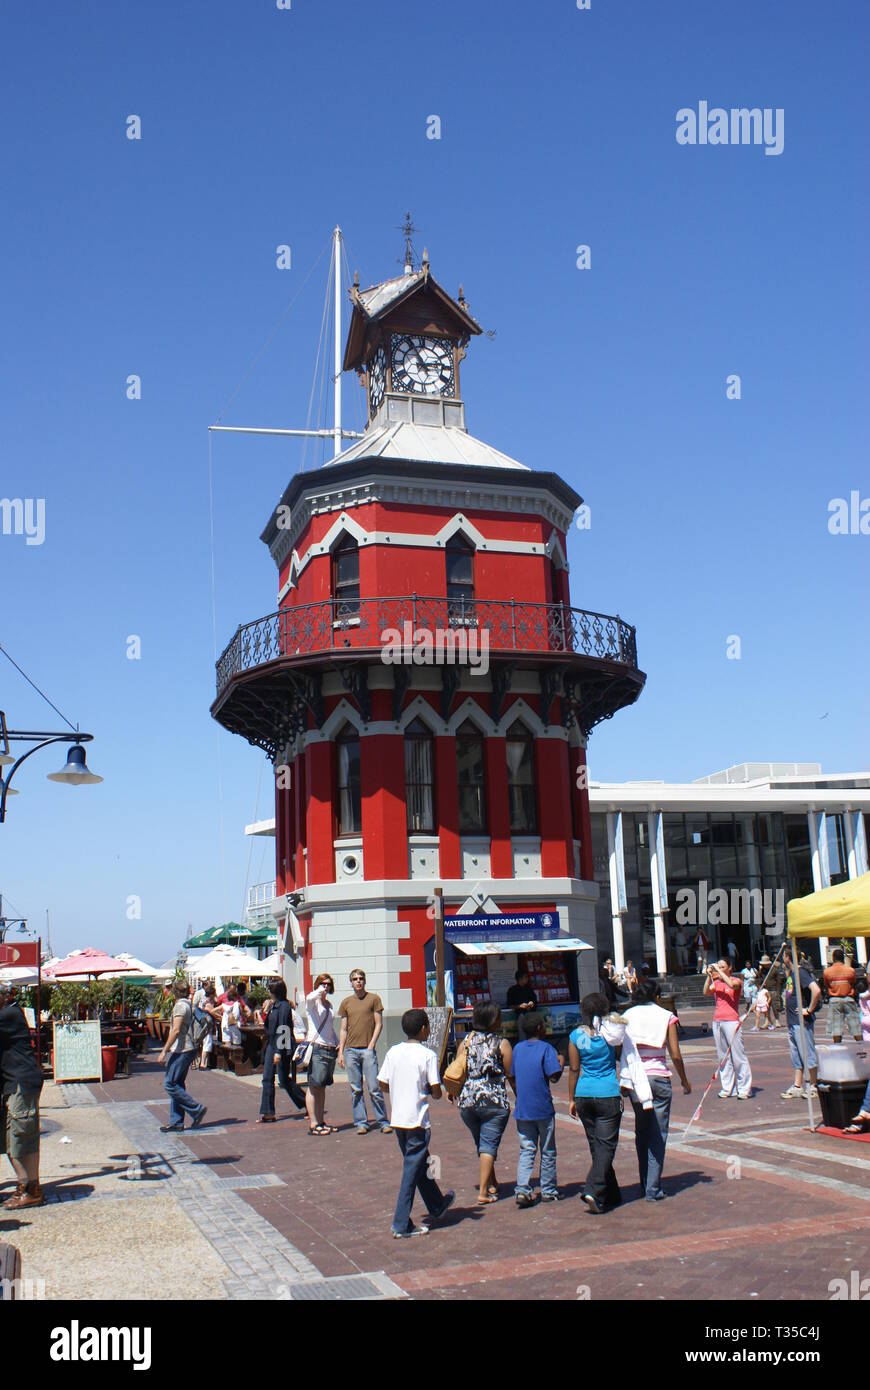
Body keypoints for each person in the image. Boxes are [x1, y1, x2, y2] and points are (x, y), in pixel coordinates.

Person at [377, 1008, 454, 1238]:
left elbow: (382, 1084)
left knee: (419, 1164)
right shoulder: (427, 1055)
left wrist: (400, 1087)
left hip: (398, 1120)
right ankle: (401, 1224)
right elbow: (436, 1091)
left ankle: (437, 1203)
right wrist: (428, 1089)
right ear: (423, 1029)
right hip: (417, 1121)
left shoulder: (393, 1051)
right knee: (411, 1171)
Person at [622, 980, 691, 1202]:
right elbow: (675, 1054)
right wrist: (684, 1080)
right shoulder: (666, 1016)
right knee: (658, 1133)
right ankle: (653, 1188)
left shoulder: (628, 1015)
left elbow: (620, 1047)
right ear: (657, 997)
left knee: (641, 1131)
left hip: (636, 1079)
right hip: (659, 1077)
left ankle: (644, 1183)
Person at [569, 992, 630, 1214]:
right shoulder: (611, 1034)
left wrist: (571, 1098)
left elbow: (574, 1069)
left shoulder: (575, 1035)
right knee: (606, 1146)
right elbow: (622, 1055)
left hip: (584, 1094)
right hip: (608, 1093)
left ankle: (610, 1194)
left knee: (597, 1145)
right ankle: (593, 1190)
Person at [452, 1002, 512, 1205]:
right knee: (488, 1143)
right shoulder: (501, 1043)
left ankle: (492, 1182)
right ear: (493, 1020)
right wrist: (519, 1095)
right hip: (493, 1100)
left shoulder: (466, 1042)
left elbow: (459, 1068)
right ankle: (484, 1192)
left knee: (483, 1142)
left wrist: (453, 1090)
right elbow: (510, 1073)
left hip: (468, 1100)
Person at [509, 1012, 563, 1207]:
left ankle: (523, 1189)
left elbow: (513, 1074)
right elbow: (554, 1076)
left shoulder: (517, 1049)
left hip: (523, 1108)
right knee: (547, 1150)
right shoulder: (546, 1048)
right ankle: (548, 1190)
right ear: (541, 1028)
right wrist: (561, 1061)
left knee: (527, 1149)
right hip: (543, 1108)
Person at [0, 982, 45, 1209]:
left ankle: (29, 1190)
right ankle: (27, 1186)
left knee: (20, 1139)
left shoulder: (8, 1015)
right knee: (16, 1138)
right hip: (17, 1083)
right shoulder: (11, 1013)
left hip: (21, 1083)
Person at [337, 969, 392, 1135]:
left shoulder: (374, 999)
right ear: (351, 983)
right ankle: (361, 1122)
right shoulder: (346, 1002)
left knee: (374, 1088)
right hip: (350, 1051)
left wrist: (372, 1044)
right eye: (355, 979)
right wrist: (341, 1052)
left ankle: (383, 1121)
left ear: (365, 981)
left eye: (361, 978)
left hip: (367, 1050)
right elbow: (343, 1029)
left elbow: (378, 1023)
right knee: (356, 1089)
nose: (358, 981)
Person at [157, 980, 207, 1133]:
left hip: (182, 1049)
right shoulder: (189, 1005)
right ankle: (176, 1121)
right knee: (177, 1084)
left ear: (175, 992)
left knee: (169, 1084)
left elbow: (176, 1030)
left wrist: (164, 1051)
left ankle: (196, 1109)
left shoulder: (180, 1006)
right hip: (188, 1048)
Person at [258, 979, 306, 1123]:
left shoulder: (284, 1006)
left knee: (284, 1080)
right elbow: (268, 1026)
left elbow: (284, 1028)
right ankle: (268, 1112)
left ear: (276, 992)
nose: (269, 993)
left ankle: (307, 1102)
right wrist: (265, 1011)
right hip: (271, 1044)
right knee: (267, 1078)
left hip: (282, 1045)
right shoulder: (274, 1006)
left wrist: (278, 1052)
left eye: (270, 990)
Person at [703, 959, 752, 1099]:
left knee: (738, 1055)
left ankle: (744, 1088)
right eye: (718, 966)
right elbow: (706, 991)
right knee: (723, 1056)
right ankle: (728, 1088)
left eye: (723, 966)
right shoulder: (717, 983)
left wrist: (718, 971)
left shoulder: (736, 981)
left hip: (731, 1021)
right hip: (718, 1021)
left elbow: (732, 985)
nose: (719, 968)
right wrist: (709, 975)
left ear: (729, 967)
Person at [781, 948, 821, 1100]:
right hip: (792, 1022)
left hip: (801, 1022)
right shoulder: (792, 973)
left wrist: (809, 1010)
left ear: (788, 957)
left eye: (783, 955)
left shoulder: (801, 972)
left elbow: (816, 990)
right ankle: (797, 1086)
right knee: (796, 1056)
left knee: (808, 1053)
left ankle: (813, 1085)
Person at [305, 973, 340, 1135]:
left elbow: (329, 1027)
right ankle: (313, 1124)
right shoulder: (312, 1003)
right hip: (317, 1047)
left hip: (329, 1047)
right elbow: (309, 997)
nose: (326, 986)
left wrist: (337, 1041)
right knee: (314, 1086)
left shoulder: (329, 1004)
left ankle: (320, 1121)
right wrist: (319, 990)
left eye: (328, 984)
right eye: (322, 983)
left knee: (322, 1087)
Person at [823, 948, 862, 1044]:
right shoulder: (850, 970)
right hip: (849, 999)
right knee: (856, 1027)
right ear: (843, 958)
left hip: (834, 1000)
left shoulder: (827, 972)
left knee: (836, 1028)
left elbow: (826, 985)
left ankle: (838, 1047)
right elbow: (853, 983)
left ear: (833, 958)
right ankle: (861, 1046)